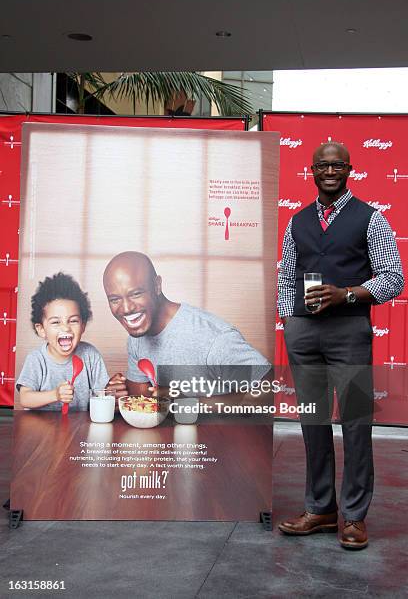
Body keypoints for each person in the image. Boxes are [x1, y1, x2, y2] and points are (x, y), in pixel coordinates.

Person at [277, 142, 404, 549]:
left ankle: (353, 516)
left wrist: (346, 295)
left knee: (355, 423)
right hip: (304, 333)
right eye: (322, 165)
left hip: (349, 332)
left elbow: (393, 278)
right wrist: (290, 321)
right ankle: (320, 509)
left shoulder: (371, 219)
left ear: (349, 169)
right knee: (313, 423)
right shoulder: (296, 222)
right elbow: (286, 278)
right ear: (311, 171)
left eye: (336, 165)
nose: (329, 171)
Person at [102, 251, 272, 397]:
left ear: (157, 285)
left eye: (136, 294)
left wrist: (191, 404)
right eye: (115, 299)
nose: (126, 308)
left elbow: (269, 392)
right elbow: (142, 395)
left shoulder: (213, 338)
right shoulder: (137, 335)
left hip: (223, 433)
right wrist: (120, 392)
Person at [17, 272, 110, 411]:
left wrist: (113, 386)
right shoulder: (36, 359)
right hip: (43, 429)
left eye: (73, 321)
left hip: (79, 427)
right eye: (56, 322)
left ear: (83, 325)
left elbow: (102, 393)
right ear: (41, 329)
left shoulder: (90, 355)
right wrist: (55, 395)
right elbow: (25, 398)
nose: (66, 327)